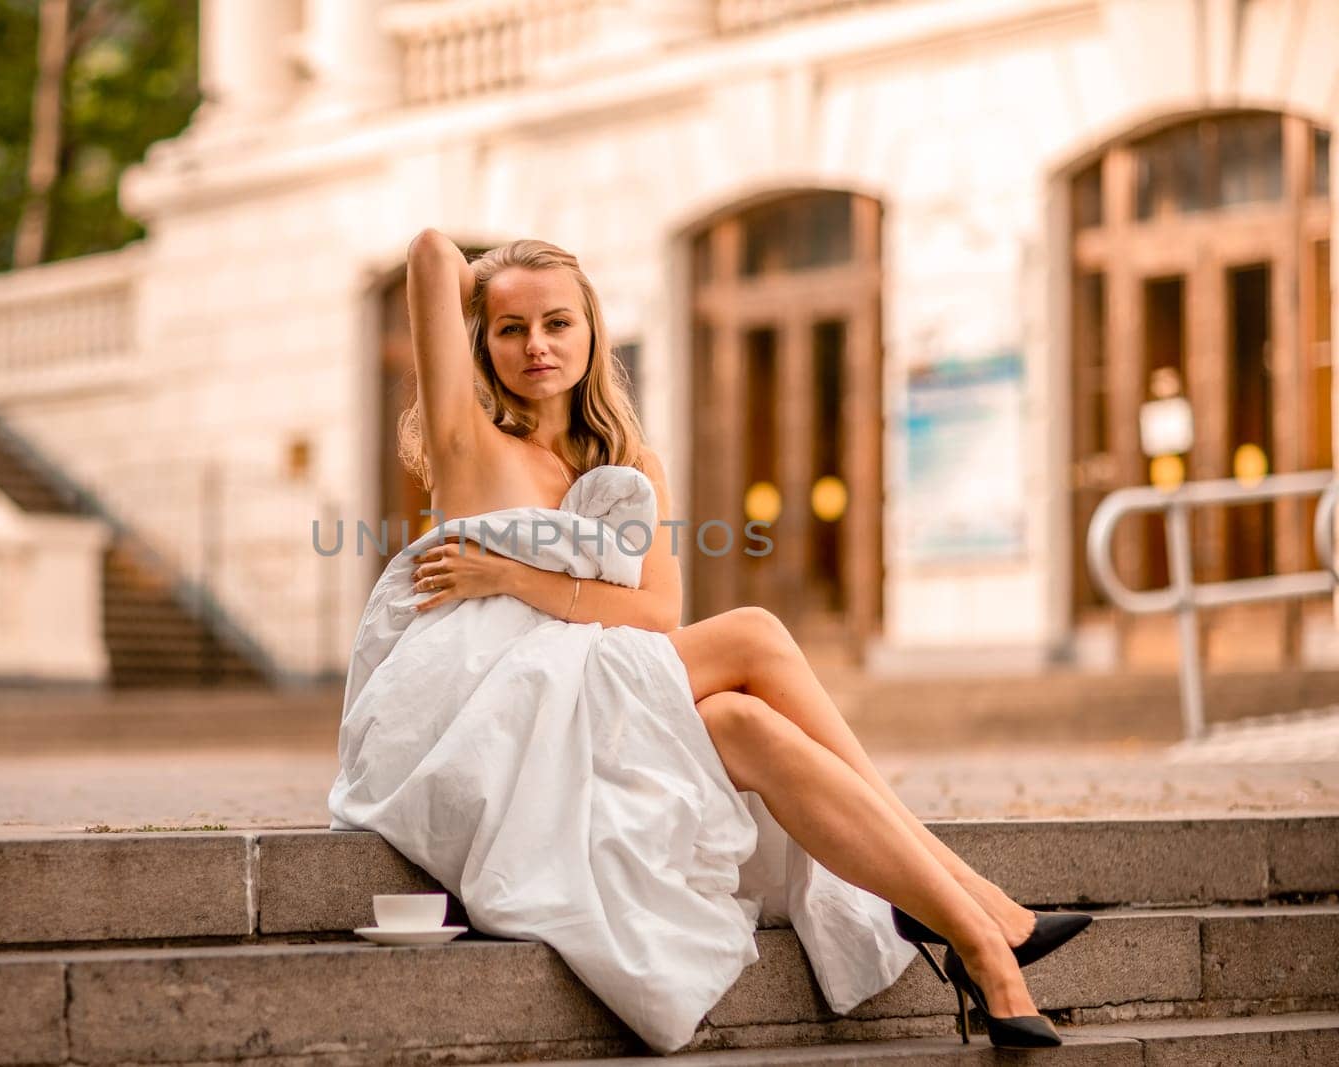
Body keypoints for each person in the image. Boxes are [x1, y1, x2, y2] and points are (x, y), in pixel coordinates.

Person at [328, 230, 1087, 1053]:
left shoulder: (629, 466)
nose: (536, 345)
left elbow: (657, 611)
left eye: (557, 321)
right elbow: (432, 255)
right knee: (756, 635)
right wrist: (497, 273)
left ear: (593, 332)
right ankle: (972, 898)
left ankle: (975, 939)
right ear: (481, 340)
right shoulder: (469, 443)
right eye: (510, 328)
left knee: (744, 724)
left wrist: (512, 577)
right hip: (491, 703)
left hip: (589, 682)